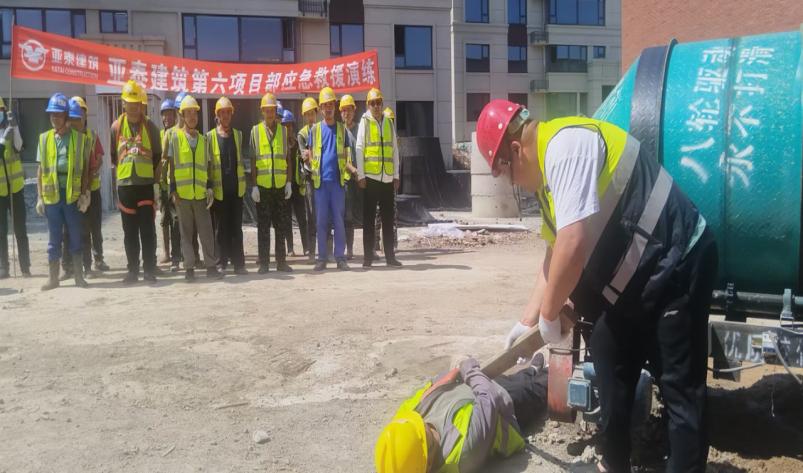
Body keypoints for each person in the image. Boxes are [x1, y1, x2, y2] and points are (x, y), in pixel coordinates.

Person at [476, 100, 717, 473]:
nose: (512, 183)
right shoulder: (547, 185)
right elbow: (554, 251)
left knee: (679, 390)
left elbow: (572, 245)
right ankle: (614, 464)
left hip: (678, 260)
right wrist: (528, 320)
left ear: (516, 149)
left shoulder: (566, 147)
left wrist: (550, 314)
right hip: (635, 280)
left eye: (505, 172)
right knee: (609, 362)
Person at [374, 356, 548, 473]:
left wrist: (452, 374)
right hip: (504, 412)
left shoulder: (404, 426)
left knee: (510, 379)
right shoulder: (462, 453)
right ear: (428, 461)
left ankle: (532, 370)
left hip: (475, 392)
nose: (421, 422)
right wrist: (469, 369)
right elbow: (489, 398)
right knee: (532, 389)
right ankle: (549, 374)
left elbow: (428, 388)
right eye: (422, 430)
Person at [36, 93, 90, 290]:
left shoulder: (80, 139)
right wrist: (40, 197)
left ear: (66, 116)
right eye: (52, 114)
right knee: (54, 238)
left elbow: (84, 170)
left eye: (58, 115)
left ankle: (78, 277)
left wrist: (84, 194)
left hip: (72, 197)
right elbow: (40, 170)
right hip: (52, 197)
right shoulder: (44, 139)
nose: (54, 118)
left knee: (75, 236)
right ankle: (53, 278)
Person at [110, 80, 162, 284]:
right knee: (129, 232)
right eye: (129, 103)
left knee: (147, 231)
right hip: (125, 187)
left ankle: (149, 269)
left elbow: (157, 157)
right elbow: (114, 158)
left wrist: (156, 184)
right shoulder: (116, 127)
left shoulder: (150, 127)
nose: (133, 107)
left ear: (141, 104)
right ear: (123, 104)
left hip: (145, 187)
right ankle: (132, 270)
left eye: (136, 103)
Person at [166, 95, 222, 282]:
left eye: (194, 113)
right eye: (188, 113)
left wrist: (210, 187)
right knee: (186, 234)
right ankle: (189, 268)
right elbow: (172, 165)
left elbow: (207, 166)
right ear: (182, 116)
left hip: (200, 195)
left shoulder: (204, 140)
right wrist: (173, 190)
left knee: (206, 232)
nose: (192, 117)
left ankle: (211, 266)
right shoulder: (175, 138)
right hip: (182, 196)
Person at [306, 87, 356, 271]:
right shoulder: (315, 130)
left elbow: (347, 156)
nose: (328, 108)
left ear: (335, 107)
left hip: (337, 183)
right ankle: (322, 258)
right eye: (325, 105)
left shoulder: (342, 129)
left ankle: (340, 258)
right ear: (320, 109)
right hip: (320, 184)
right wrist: (310, 163)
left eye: (330, 105)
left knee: (339, 221)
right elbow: (311, 153)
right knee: (321, 222)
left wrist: (353, 171)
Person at [356, 88, 401, 268]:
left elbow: (394, 150)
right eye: (372, 103)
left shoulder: (388, 122)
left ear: (382, 104)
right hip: (370, 178)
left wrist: (396, 175)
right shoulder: (365, 122)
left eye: (378, 102)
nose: (376, 106)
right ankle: (368, 258)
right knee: (368, 220)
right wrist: (361, 175)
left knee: (388, 220)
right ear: (368, 105)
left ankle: (390, 257)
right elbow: (359, 148)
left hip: (387, 178)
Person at [62, 97, 107, 278]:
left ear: (85, 116)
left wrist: (91, 177)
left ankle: (95, 261)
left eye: (80, 114)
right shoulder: (65, 138)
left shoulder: (91, 136)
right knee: (68, 231)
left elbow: (98, 159)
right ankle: (68, 267)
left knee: (92, 227)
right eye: (73, 116)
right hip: (70, 192)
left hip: (90, 191)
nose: (76, 120)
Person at [249, 92, 292, 274]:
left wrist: (289, 182)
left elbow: (288, 159)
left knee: (281, 226)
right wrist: (254, 185)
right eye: (266, 110)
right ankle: (264, 263)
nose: (269, 113)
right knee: (263, 227)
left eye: (272, 110)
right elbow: (253, 160)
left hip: (280, 186)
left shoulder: (284, 131)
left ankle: (281, 262)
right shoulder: (255, 131)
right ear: (262, 112)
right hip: (263, 187)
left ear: (276, 111)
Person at [207, 97, 247, 275]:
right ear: (217, 115)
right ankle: (220, 262)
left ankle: (239, 264)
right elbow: (208, 164)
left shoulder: (238, 135)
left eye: (228, 112)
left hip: (236, 190)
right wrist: (209, 186)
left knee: (236, 228)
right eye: (222, 113)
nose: (225, 116)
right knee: (220, 229)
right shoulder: (210, 137)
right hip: (219, 191)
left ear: (232, 114)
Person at [0, 96, 30, 278]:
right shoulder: (4, 135)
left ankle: (25, 266)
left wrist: (15, 127)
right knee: (1, 231)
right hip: (0, 191)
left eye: (0, 111)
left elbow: (19, 146)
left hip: (16, 188)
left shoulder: (10, 128)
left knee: (20, 229)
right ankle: (3, 266)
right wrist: (3, 139)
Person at [282, 109, 309, 257]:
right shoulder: (280, 145)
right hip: (285, 186)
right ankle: (290, 248)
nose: (288, 128)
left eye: (290, 125)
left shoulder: (298, 144)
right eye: (285, 125)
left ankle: (306, 247)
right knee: (286, 218)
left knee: (301, 218)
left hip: (297, 186)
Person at [158, 97, 180, 268]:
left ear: (175, 115)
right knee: (164, 219)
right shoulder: (159, 135)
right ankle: (166, 252)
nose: (167, 118)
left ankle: (177, 254)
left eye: (169, 114)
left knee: (176, 219)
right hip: (162, 184)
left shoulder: (177, 134)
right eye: (164, 115)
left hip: (175, 184)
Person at [297, 97, 319, 262]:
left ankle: (326, 250)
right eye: (307, 114)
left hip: (324, 177)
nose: (310, 117)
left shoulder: (323, 129)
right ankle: (312, 252)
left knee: (325, 214)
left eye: (312, 113)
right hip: (311, 178)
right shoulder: (302, 134)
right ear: (304, 116)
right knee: (311, 215)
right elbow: (305, 157)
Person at [339, 94, 360, 259]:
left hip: (363, 177)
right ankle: (349, 249)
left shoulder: (361, 129)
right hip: (346, 179)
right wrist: (353, 170)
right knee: (348, 215)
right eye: (344, 110)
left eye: (349, 110)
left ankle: (371, 248)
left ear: (354, 110)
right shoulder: (339, 131)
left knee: (367, 213)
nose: (347, 113)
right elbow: (341, 157)